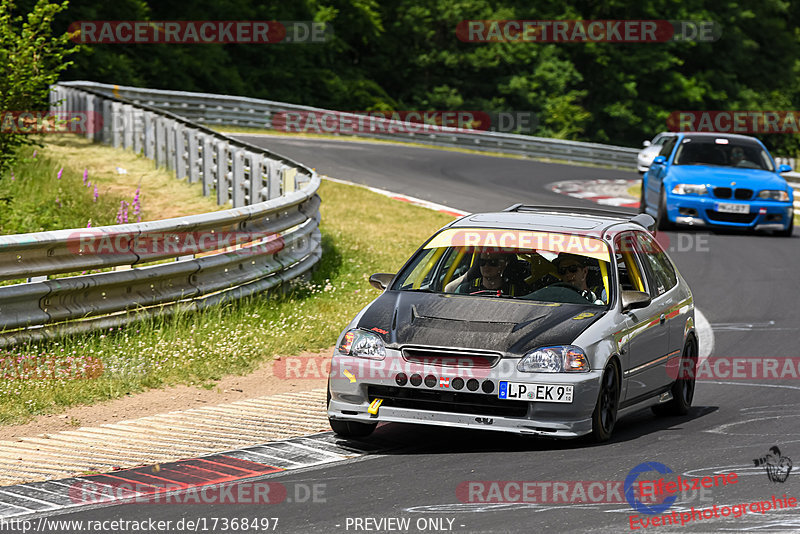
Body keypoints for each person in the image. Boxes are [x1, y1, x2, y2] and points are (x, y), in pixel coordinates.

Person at [456, 251, 527, 295]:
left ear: (504, 264)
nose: (486, 266)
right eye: (482, 262)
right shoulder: (465, 290)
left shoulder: (516, 292)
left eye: (493, 262)